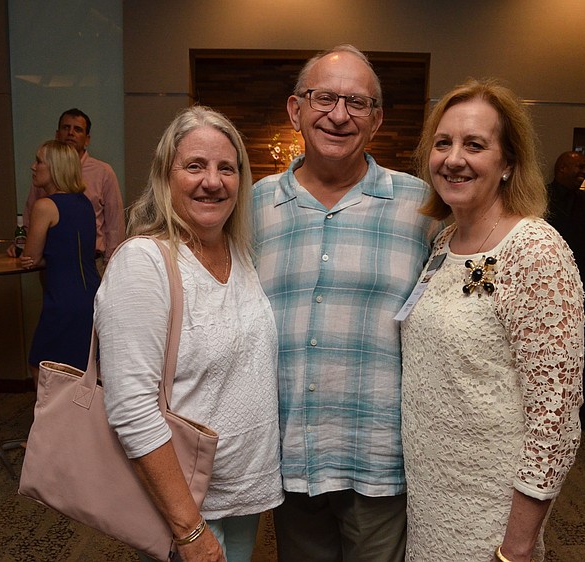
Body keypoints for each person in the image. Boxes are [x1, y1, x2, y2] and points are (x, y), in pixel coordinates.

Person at [252, 44, 436, 561]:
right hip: (292, 454)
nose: (339, 115)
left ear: (376, 120)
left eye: (357, 103)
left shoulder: (422, 206)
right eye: (324, 98)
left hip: (379, 458)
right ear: (295, 110)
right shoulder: (252, 206)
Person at [401, 78, 585, 562]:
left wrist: (517, 547)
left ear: (507, 163)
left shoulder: (535, 251)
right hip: (431, 499)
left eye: (475, 145)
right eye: (443, 143)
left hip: (491, 516)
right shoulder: (442, 243)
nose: (453, 158)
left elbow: (556, 418)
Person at [94, 106, 283, 562]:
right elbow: (130, 408)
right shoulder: (144, 263)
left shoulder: (239, 254)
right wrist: (190, 529)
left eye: (226, 168)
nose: (212, 181)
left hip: (242, 497)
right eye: (195, 166)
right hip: (190, 507)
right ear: (166, 175)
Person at [20, 140, 100, 388]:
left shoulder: (44, 206)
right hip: (91, 294)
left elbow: (30, 259)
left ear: (54, 167)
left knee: (40, 365)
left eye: (39, 161)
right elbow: (70, 250)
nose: (33, 167)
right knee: (81, 370)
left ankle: (53, 425)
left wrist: (21, 252)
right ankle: (80, 425)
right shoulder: (84, 203)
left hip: (63, 299)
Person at [11, 108, 125, 268]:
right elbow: (30, 216)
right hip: (50, 264)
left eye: (77, 129)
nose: (71, 133)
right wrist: (23, 246)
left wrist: (113, 264)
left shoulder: (103, 172)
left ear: (87, 139)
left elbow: (114, 224)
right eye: (66, 128)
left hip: (93, 262)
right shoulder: (43, 173)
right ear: (57, 135)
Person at [546, 150, 585, 310]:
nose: (584, 172)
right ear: (562, 168)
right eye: (580, 167)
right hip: (545, 274)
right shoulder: (540, 197)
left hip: (578, 274)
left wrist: (575, 253)